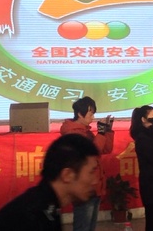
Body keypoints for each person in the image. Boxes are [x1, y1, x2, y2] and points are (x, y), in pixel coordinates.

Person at [0, 134, 99, 231]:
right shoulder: (32, 217)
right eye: (91, 172)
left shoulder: (48, 206)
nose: (95, 180)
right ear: (67, 175)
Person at [60, 96, 114, 231]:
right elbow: (91, 154)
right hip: (83, 187)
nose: (93, 117)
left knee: (90, 226)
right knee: (83, 226)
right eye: (90, 114)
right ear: (80, 114)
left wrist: (107, 131)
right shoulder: (72, 133)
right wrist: (100, 133)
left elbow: (106, 149)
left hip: (95, 185)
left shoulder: (86, 132)